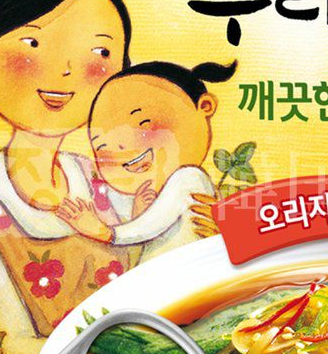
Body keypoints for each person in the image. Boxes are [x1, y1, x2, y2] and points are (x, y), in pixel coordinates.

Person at [0, 0, 133, 354]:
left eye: (100, 51)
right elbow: (14, 341)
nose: (65, 71)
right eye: (33, 43)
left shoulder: (105, 179)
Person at [56, 61, 236, 261]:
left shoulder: (190, 177)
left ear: (205, 106)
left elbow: (153, 224)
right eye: (102, 146)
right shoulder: (148, 197)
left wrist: (106, 233)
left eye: (142, 125)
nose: (121, 147)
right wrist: (138, 213)